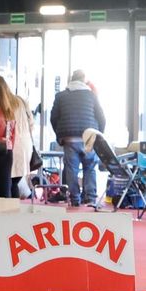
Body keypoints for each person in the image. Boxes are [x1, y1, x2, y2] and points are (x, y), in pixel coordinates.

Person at [50, 69, 106, 208]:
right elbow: (101, 117)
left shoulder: (61, 96)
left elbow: (53, 118)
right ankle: (90, 198)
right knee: (90, 167)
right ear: (83, 80)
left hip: (69, 138)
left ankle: (75, 199)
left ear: (71, 80)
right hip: (89, 137)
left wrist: (59, 134)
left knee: (71, 169)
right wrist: (98, 136)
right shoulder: (91, 96)